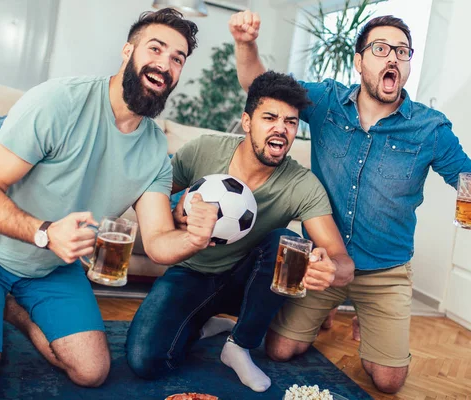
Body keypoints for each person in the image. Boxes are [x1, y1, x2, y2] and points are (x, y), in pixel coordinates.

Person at [228, 11, 471, 394]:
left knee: (389, 382)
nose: (393, 57)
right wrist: (246, 43)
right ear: (360, 62)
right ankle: (329, 307)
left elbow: (468, 177)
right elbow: (259, 87)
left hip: (386, 272)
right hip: (326, 262)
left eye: (402, 51)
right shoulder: (326, 101)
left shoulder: (431, 128)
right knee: (279, 350)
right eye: (380, 48)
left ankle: (371, 317)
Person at [0, 8, 209, 399]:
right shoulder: (59, 101)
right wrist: (45, 233)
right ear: (127, 51)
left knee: (91, 372)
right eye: (156, 49)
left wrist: (197, 238)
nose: (164, 64)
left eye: (177, 59)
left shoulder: (153, 150)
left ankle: (11, 310)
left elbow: (160, 241)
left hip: (50, 268)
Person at [125, 71, 355, 393]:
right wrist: (177, 208)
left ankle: (239, 344)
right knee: (145, 361)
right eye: (270, 117)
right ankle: (202, 322)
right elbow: (150, 194)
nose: (281, 128)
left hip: (246, 281)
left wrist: (330, 269)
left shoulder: (303, 185)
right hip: (190, 272)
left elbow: (341, 259)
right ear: (247, 122)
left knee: (286, 243)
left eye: (291, 122)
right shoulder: (203, 151)